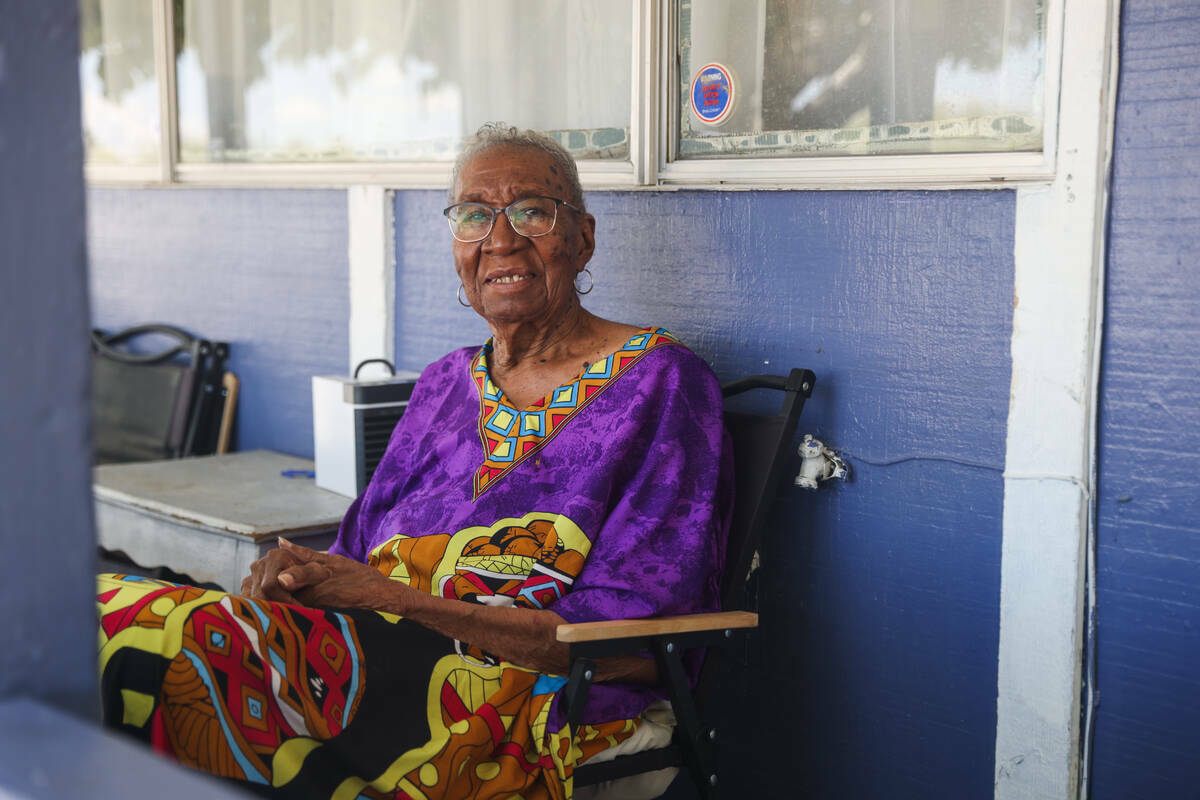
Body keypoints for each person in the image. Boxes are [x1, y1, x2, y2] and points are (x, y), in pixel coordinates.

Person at [97, 123, 732, 800]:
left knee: (156, 641)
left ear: (583, 238)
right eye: (474, 215)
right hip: (360, 657)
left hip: (517, 698)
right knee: (99, 614)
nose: (501, 238)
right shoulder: (442, 384)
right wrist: (295, 579)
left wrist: (394, 601)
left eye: (532, 211)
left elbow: (628, 641)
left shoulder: (662, 384)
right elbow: (354, 555)